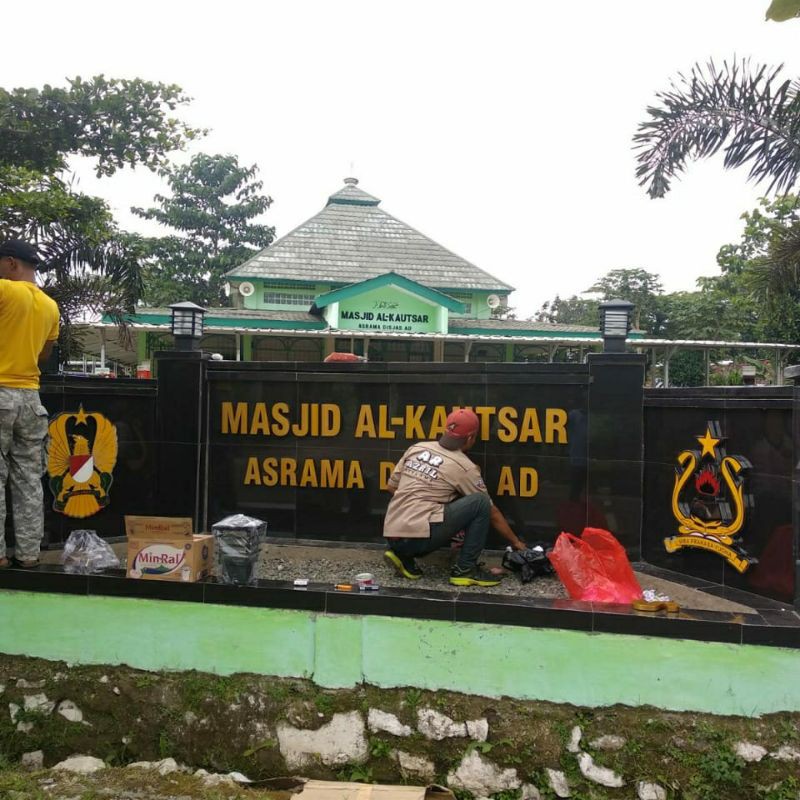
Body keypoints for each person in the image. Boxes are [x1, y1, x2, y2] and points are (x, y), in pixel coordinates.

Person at [382, 408, 527, 587]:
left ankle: (402, 556)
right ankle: (465, 569)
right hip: (419, 539)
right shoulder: (464, 467)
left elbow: (391, 487)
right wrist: (516, 542)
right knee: (480, 503)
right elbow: (493, 513)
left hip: (392, 535)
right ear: (470, 437)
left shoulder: (417, 448)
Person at [0, 240, 60, 568]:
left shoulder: (4, 290)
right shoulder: (50, 307)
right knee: (28, 479)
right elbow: (44, 355)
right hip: (31, 399)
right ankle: (28, 555)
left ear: (11, 263)